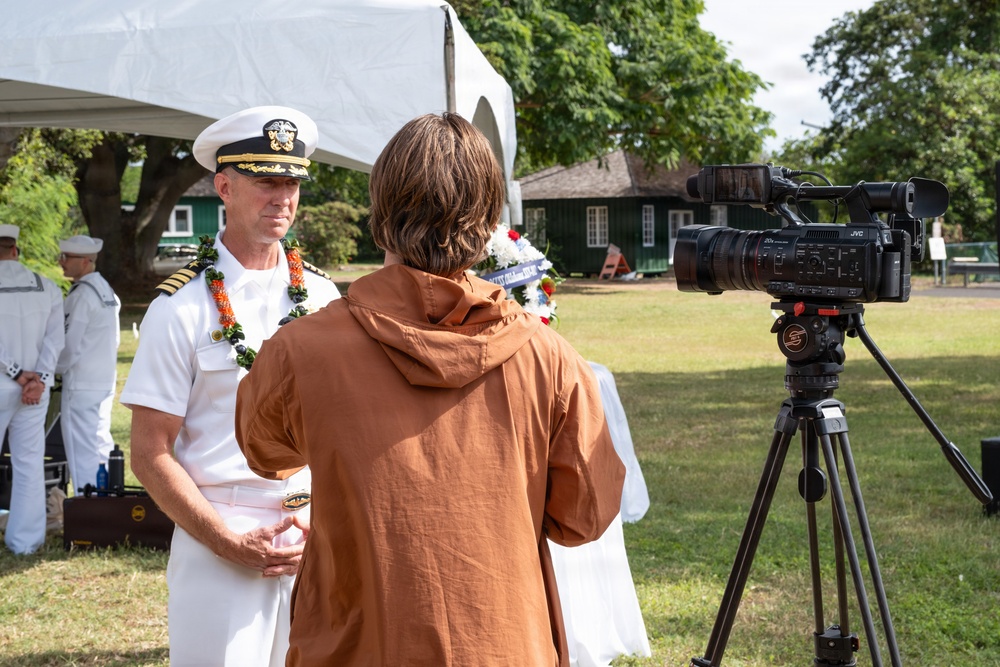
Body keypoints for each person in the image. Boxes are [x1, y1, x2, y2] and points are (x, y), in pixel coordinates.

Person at [235, 112, 626, 666]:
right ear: (490, 218)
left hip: (358, 644)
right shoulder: (548, 357)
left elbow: (264, 450)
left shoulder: (301, 350)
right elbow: (583, 515)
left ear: (380, 213)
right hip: (504, 642)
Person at [119, 106, 341, 666]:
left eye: (291, 182)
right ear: (223, 186)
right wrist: (223, 540)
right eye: (266, 181)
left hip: (314, 534)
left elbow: (344, 429)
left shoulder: (323, 299)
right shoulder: (182, 306)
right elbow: (148, 452)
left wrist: (330, 517)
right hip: (219, 535)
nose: (282, 197)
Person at [0, 224, 64, 554]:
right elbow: (56, 340)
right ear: (15, 249)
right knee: (29, 462)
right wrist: (37, 377)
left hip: (8, 384)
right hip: (36, 390)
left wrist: (17, 374)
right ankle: (25, 541)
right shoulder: (47, 286)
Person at [55, 234, 121, 493]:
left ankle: (87, 504)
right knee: (100, 441)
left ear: (84, 262)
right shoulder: (105, 289)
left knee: (81, 448)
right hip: (103, 378)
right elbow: (114, 339)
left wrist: (50, 370)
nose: (61, 263)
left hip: (81, 383)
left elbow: (68, 345)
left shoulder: (81, 295)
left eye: (66, 258)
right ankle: (105, 499)